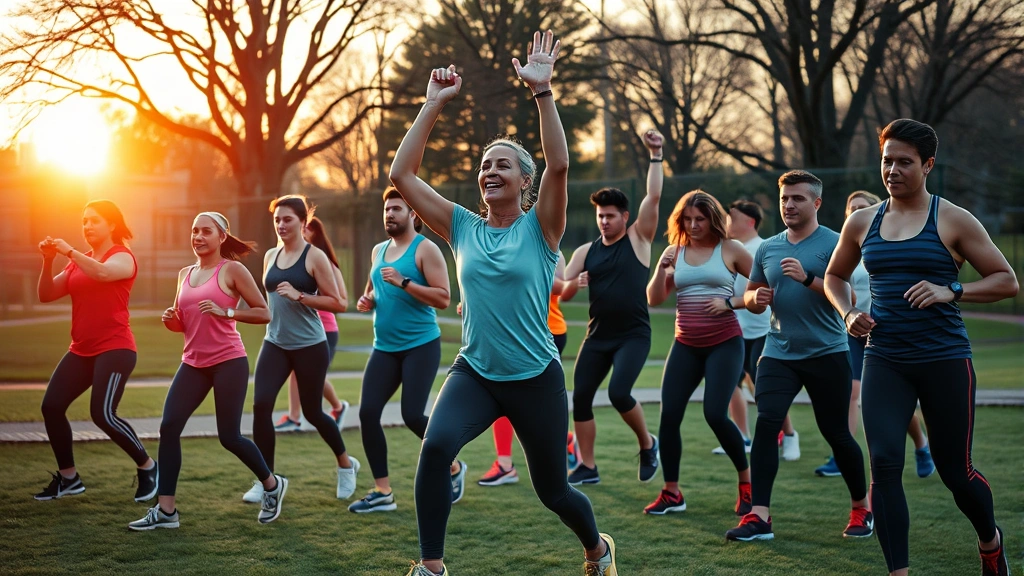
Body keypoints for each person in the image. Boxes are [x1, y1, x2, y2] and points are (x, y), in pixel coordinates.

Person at [389, 30, 617, 576]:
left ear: (525, 181)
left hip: (535, 376)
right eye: (485, 165)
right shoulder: (461, 226)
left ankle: (597, 550)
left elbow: (560, 167)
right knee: (436, 449)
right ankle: (432, 567)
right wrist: (432, 104)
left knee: (553, 492)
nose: (490, 171)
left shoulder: (543, 229)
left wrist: (543, 93)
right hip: (476, 372)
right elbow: (401, 175)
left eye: (503, 166)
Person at [825, 119, 1018, 576]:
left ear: (928, 165)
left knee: (957, 473)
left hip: (944, 359)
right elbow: (834, 278)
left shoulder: (951, 218)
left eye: (904, 162)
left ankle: (990, 542)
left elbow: (1007, 281)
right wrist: (848, 313)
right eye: (886, 160)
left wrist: (952, 289)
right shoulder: (861, 221)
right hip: (884, 357)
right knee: (885, 466)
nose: (892, 170)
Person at [725, 170, 872, 543]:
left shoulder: (837, 244)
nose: (789, 205)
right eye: (784, 198)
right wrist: (752, 299)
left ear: (817, 203)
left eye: (798, 199)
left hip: (827, 351)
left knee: (837, 433)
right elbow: (753, 298)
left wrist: (809, 278)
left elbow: (850, 301)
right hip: (778, 351)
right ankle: (760, 516)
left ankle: (861, 508)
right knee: (766, 424)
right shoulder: (768, 247)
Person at [130, 212, 285, 530]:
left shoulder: (233, 270)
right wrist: (172, 321)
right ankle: (166, 512)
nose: (198, 237)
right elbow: (183, 322)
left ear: (221, 237)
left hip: (228, 361)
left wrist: (227, 310)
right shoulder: (184, 273)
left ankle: (272, 485)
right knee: (169, 426)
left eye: (206, 231)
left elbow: (264, 312)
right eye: (194, 231)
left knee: (229, 436)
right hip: (193, 363)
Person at [559, 129, 666, 486]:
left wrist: (656, 154)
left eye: (610, 215)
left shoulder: (639, 238)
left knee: (620, 393)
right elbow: (561, 293)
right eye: (600, 216)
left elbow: (653, 194)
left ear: (624, 216)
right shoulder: (584, 252)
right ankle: (587, 466)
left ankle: (649, 444)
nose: (604, 221)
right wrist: (574, 283)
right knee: (583, 398)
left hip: (633, 336)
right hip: (598, 336)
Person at [34, 200, 157, 502]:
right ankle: (69, 479)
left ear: (112, 225)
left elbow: (103, 274)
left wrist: (68, 251)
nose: (87, 226)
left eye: (94, 221)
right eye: (84, 221)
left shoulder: (123, 257)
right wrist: (49, 260)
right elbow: (47, 294)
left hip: (115, 348)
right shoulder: (80, 260)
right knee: (51, 406)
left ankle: (150, 467)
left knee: (102, 413)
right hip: (81, 350)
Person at [243, 195, 358, 505]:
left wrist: (300, 295)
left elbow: (338, 303)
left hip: (310, 345)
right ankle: (267, 480)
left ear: (303, 223)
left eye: (287, 219)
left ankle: (346, 465)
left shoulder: (314, 257)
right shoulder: (270, 256)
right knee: (262, 405)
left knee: (312, 412)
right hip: (275, 343)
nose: (281, 225)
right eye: (277, 220)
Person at [643, 191, 752, 516]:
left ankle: (747, 485)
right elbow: (654, 299)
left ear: (712, 218)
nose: (693, 225)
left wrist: (730, 301)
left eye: (700, 219)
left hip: (725, 343)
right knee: (669, 417)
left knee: (715, 414)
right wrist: (662, 270)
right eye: (687, 219)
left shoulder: (731, 249)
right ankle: (672, 492)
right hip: (685, 345)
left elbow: (762, 287)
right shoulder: (675, 251)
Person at [348, 187, 455, 514]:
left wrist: (404, 283)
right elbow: (373, 288)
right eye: (387, 210)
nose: (389, 215)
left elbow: (443, 298)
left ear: (413, 215)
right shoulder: (378, 250)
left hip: (420, 346)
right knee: (367, 414)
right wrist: (368, 299)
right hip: (385, 348)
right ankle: (383, 492)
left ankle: (453, 466)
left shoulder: (427, 250)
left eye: (396, 209)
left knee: (411, 415)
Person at [814, 191, 935, 479]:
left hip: (887, 333)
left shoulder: (887, 246)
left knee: (895, 402)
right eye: (851, 208)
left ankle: (921, 445)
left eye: (863, 208)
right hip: (854, 331)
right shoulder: (842, 250)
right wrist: (848, 312)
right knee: (853, 392)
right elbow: (833, 285)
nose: (856, 212)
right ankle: (840, 455)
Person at [712, 200, 800, 460]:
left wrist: (731, 303)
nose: (727, 223)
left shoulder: (761, 248)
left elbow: (765, 293)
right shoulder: (727, 249)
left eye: (732, 218)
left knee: (763, 390)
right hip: (734, 332)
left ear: (749, 221)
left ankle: (790, 435)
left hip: (762, 332)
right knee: (730, 384)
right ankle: (742, 437)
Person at [477, 249, 569, 487]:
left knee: (531, 404)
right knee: (506, 398)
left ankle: (564, 442)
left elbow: (561, 288)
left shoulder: (552, 251)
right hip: (513, 333)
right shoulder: (503, 245)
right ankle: (506, 464)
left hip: (546, 333)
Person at [273, 217, 350, 432]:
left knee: (311, 376)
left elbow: (341, 301)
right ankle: (294, 417)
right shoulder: (292, 261)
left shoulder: (324, 262)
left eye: (305, 229)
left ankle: (338, 406)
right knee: (297, 373)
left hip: (324, 330)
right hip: (299, 330)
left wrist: (302, 296)